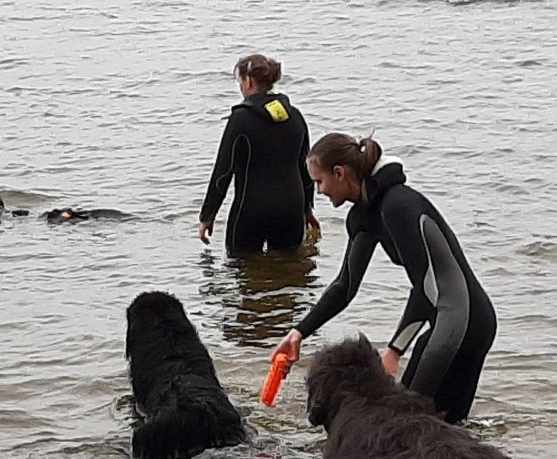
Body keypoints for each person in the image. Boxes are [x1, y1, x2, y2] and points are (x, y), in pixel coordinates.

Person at [271, 133, 497, 424]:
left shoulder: (397, 205)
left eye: (319, 181)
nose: (320, 191)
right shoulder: (364, 216)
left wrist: (394, 349)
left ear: (339, 173)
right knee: (436, 428)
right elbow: (345, 287)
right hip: (450, 323)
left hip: (464, 323)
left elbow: (426, 288)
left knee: (408, 425)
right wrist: (298, 332)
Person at [198, 54, 319, 253]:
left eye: (240, 81)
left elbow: (223, 171)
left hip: (251, 211)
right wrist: (307, 209)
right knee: (290, 271)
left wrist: (208, 216)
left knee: (241, 272)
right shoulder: (295, 116)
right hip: (291, 210)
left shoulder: (240, 120)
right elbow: (305, 169)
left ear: (247, 80)